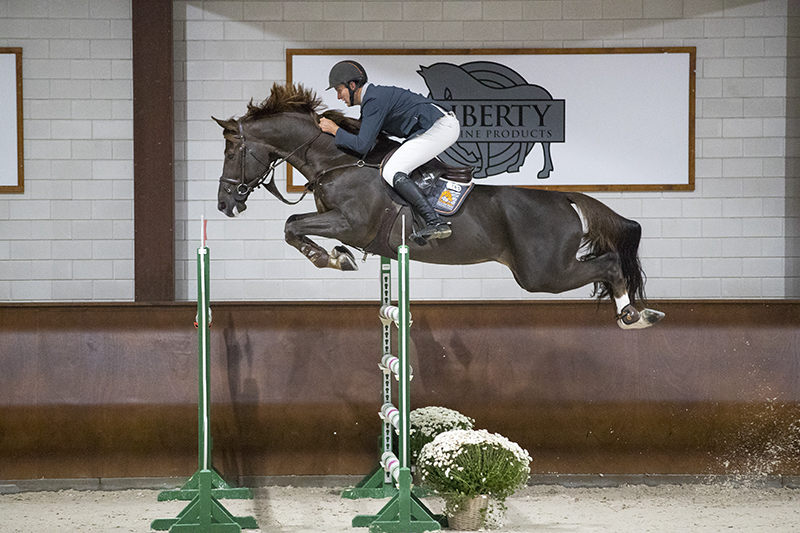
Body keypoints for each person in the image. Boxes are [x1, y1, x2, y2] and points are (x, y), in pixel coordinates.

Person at [318, 60, 459, 242]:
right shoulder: (372, 100)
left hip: (440, 126)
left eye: (339, 90)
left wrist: (335, 130)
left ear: (352, 86)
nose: (339, 97)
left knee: (392, 170)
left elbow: (362, 145)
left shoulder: (374, 100)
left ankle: (435, 222)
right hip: (437, 126)